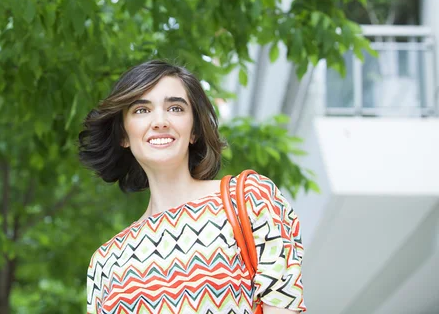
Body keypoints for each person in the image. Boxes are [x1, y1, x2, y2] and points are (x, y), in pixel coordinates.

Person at [78, 60, 306, 313]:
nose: (160, 121)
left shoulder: (251, 199)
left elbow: (284, 306)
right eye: (141, 110)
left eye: (175, 108)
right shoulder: (106, 261)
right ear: (123, 134)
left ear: (194, 130)